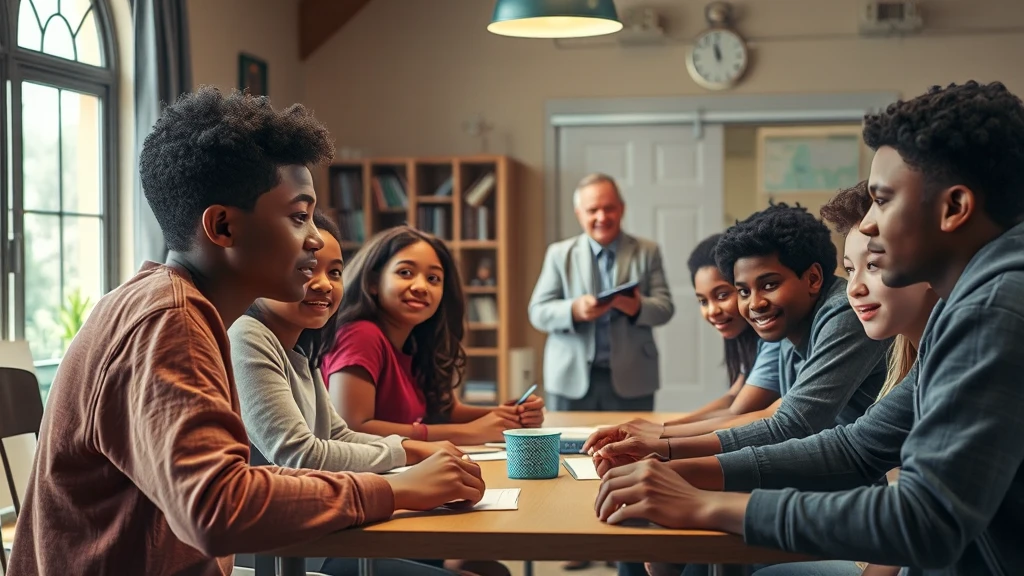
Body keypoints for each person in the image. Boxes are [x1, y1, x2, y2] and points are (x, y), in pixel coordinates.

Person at [6, 87, 484, 576]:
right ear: (224, 227)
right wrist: (398, 488)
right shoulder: (171, 321)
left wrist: (402, 462)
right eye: (299, 217)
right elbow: (217, 508)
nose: (316, 238)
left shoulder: (170, 305)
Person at [595, 81, 1024, 575]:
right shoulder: (966, 305)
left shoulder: (992, 309)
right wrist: (681, 471)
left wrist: (706, 504)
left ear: (954, 208)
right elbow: (856, 448)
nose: (867, 226)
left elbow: (925, 519)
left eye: (882, 201)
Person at [229, 211, 472, 576]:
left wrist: (413, 451)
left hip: (320, 530)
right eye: (306, 267)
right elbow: (299, 454)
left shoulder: (301, 348)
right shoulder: (246, 334)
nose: (324, 284)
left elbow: (338, 434)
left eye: (335, 271)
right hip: (277, 550)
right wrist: (407, 452)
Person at [587, 203, 890, 471]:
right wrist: (660, 441)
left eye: (769, 285)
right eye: (743, 291)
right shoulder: (788, 326)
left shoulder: (842, 312)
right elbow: (774, 414)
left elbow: (791, 425)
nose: (754, 303)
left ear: (812, 279)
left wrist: (664, 443)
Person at [323, 226, 544, 445]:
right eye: (405, 273)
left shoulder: (417, 342)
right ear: (373, 283)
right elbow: (351, 429)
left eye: (433, 278)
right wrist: (470, 433)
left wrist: (508, 416)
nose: (421, 287)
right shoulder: (360, 335)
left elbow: (446, 412)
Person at [528, 172, 675, 412]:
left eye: (609, 208)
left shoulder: (648, 251)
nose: (602, 217)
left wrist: (637, 307)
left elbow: (665, 308)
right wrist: (574, 310)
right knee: (567, 448)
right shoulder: (559, 253)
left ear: (622, 209)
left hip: (633, 378)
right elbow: (537, 312)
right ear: (579, 214)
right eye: (593, 210)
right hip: (569, 378)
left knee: (633, 448)